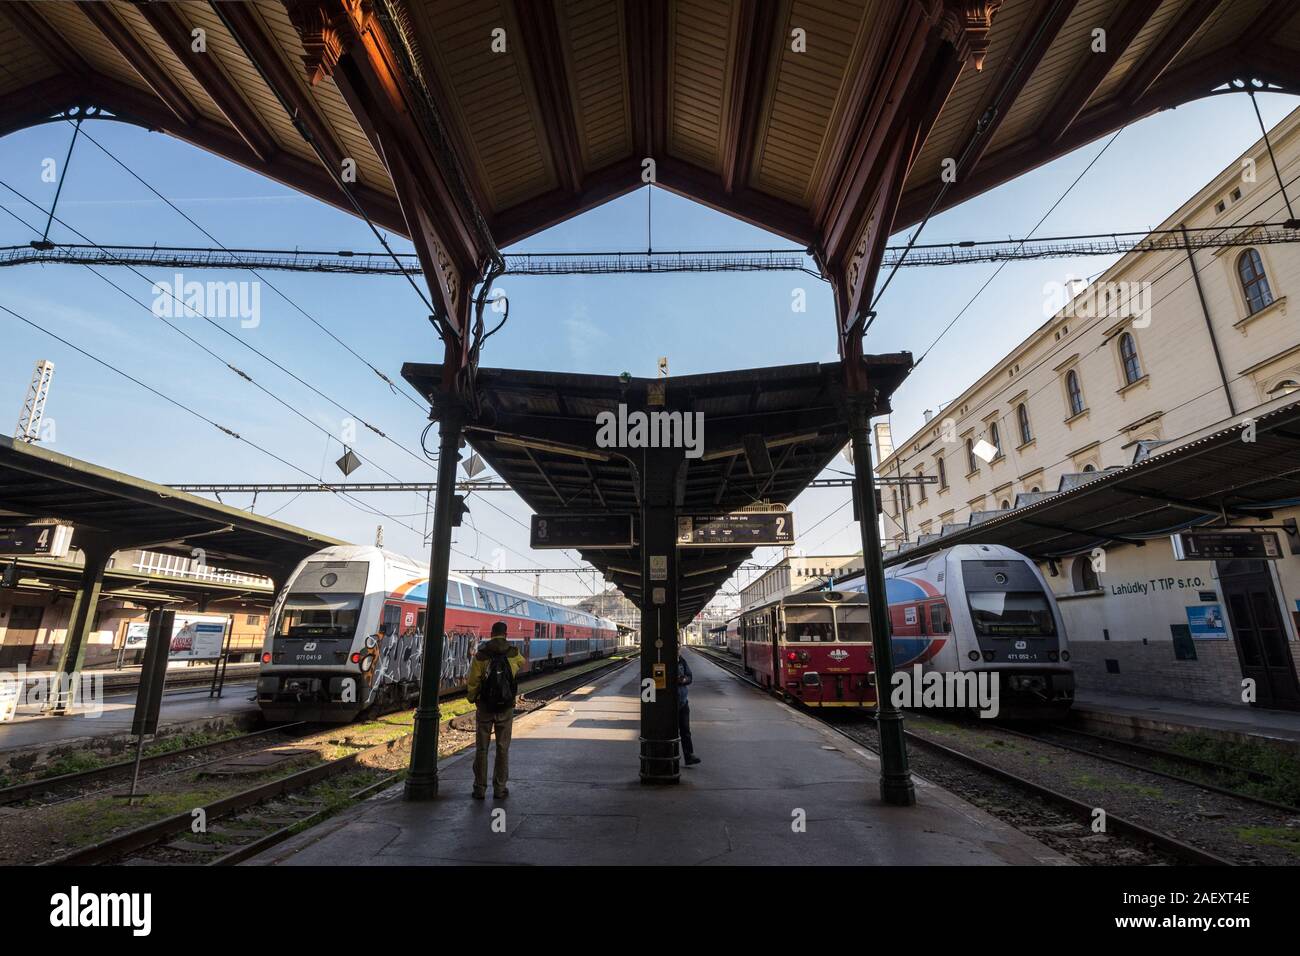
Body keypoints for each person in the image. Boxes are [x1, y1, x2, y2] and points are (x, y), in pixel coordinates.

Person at [466, 621, 524, 798]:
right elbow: (521, 663)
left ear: (491, 634)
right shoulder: (514, 653)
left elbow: (474, 680)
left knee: (482, 749)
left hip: (484, 706)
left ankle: (479, 788)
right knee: (502, 748)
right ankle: (499, 788)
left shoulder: (481, 655)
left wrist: (472, 697)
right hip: (505, 707)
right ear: (505, 634)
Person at [677, 648, 700, 766]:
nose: (677, 650)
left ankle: (689, 755)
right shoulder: (663, 661)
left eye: (678, 648)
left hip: (683, 701)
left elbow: (689, 676)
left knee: (686, 731)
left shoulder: (682, 661)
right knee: (671, 732)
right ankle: (671, 756)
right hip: (670, 703)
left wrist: (685, 679)